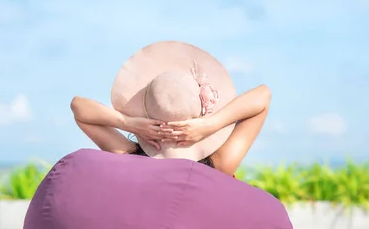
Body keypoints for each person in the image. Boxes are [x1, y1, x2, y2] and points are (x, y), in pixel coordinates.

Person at [70, 41, 271, 177]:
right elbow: (263, 95)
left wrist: (129, 124)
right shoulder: (218, 165)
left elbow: (79, 108)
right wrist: (210, 124)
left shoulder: (132, 158)